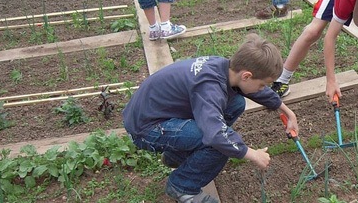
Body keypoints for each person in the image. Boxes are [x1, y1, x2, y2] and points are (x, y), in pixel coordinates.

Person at [123, 33, 299, 203]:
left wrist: (287, 112)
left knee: (235, 103)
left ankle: (177, 155)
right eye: (262, 84)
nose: (262, 88)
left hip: (156, 113)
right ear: (246, 75)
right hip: (146, 128)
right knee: (219, 145)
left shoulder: (225, 68)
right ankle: (182, 186)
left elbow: (257, 91)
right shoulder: (210, 88)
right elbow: (216, 135)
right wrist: (252, 154)